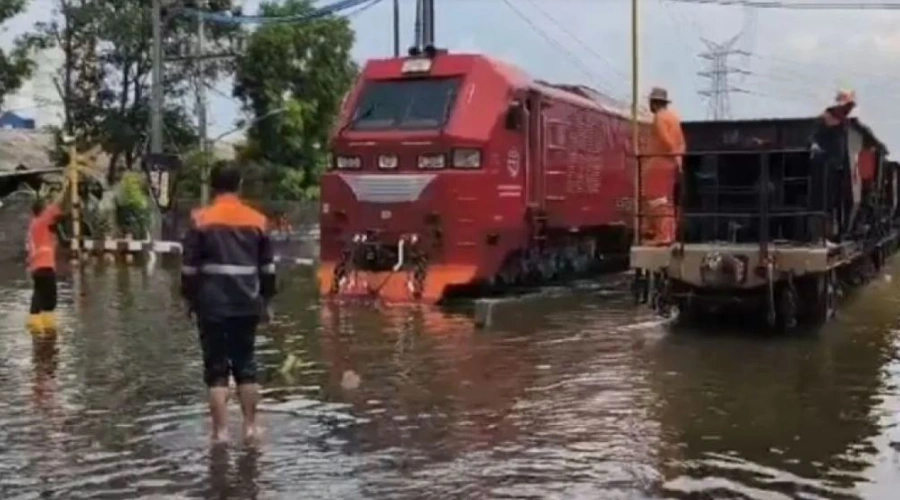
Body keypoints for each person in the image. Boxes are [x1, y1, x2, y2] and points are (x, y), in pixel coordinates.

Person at [180, 164, 277, 444]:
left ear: (212, 186)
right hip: (247, 303)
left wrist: (189, 299)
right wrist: (266, 302)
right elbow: (268, 269)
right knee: (246, 365)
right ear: (240, 184)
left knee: (216, 369)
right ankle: (250, 428)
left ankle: (220, 433)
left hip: (211, 305)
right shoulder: (257, 220)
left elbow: (189, 269)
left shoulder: (200, 220)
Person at [641, 86, 686, 246]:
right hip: (671, 162)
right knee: (666, 201)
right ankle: (668, 233)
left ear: (654, 103)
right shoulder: (674, 118)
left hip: (659, 162)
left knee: (656, 199)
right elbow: (681, 142)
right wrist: (678, 159)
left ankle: (662, 234)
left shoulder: (659, 118)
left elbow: (665, 139)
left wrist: (671, 153)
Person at [810, 89, 856, 243]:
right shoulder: (825, 120)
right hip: (825, 166)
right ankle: (820, 236)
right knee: (823, 202)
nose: (849, 109)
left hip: (838, 168)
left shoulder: (843, 123)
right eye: (847, 105)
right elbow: (814, 139)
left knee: (833, 202)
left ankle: (830, 234)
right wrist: (816, 147)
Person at [26, 182, 70, 334]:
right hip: (45, 266)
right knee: (50, 300)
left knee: (38, 295)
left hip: (36, 267)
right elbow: (60, 204)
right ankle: (48, 330)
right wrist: (68, 185)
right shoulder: (43, 221)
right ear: (42, 211)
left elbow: (58, 216)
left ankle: (36, 329)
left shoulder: (34, 225)